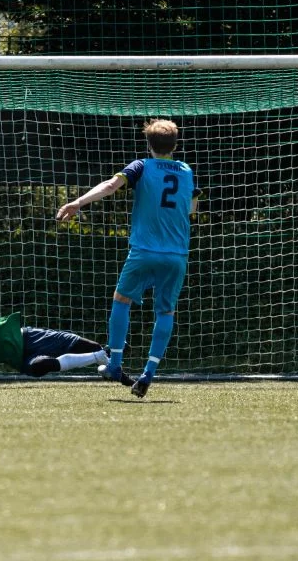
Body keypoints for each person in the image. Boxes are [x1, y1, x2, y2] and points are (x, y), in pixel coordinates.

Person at [56, 118, 199, 398]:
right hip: (177, 254)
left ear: (148, 145)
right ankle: (149, 373)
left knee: (121, 300)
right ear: (175, 145)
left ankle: (116, 364)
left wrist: (77, 202)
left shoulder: (141, 166)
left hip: (144, 251)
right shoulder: (186, 170)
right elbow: (192, 206)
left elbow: (111, 186)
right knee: (166, 312)